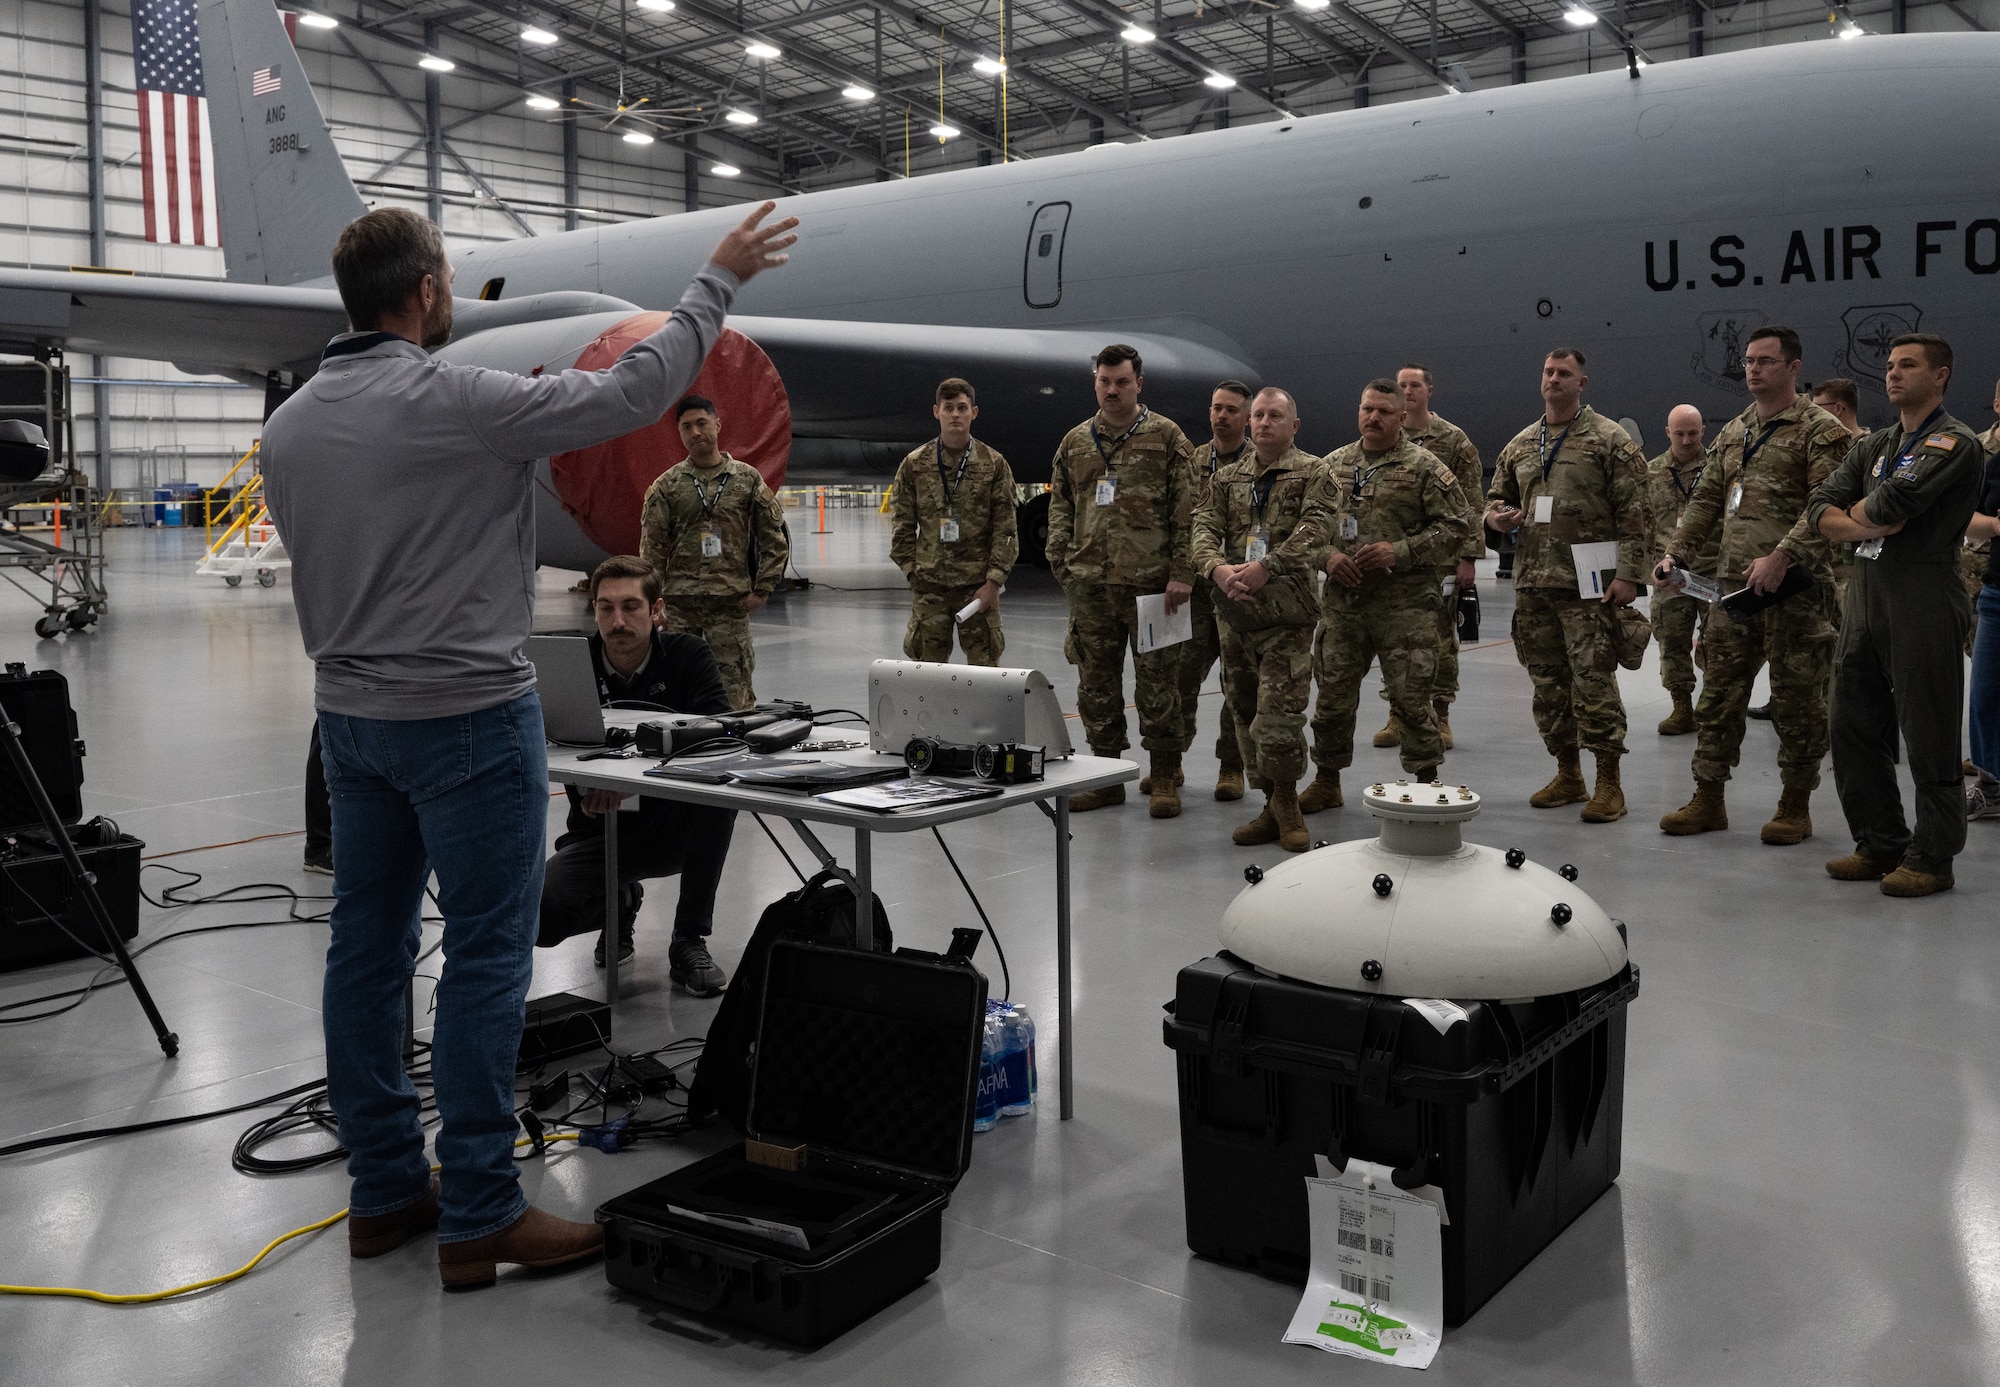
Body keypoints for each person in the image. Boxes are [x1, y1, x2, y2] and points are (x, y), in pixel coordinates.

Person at [261, 202, 795, 1288]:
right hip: (464, 716)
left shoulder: (289, 428)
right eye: (449, 280)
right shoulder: (455, 396)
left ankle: (381, 1192)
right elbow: (634, 391)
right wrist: (718, 280)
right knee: (486, 956)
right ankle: (481, 1208)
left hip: (351, 724)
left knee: (362, 952)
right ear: (423, 295)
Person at [1655, 326, 1849, 846]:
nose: (1753, 369)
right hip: (1733, 593)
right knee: (1718, 696)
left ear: (1793, 367)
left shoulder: (1819, 429)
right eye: (1748, 361)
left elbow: (1825, 506)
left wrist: (1781, 556)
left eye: (1765, 360)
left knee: (1798, 703)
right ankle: (1708, 798)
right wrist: (1676, 554)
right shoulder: (1735, 430)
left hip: (1797, 593)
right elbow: (1705, 500)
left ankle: (1794, 805)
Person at [1808, 332, 1986, 897]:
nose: (1892, 374)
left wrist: (1860, 514)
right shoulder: (1876, 445)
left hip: (1923, 594)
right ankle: (1880, 841)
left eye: (1907, 365)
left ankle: (1934, 856)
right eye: (1889, 365)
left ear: (1941, 376)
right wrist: (1864, 522)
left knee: (1929, 730)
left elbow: (1894, 504)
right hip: (1865, 593)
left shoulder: (1954, 443)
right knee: (1850, 722)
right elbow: (1818, 506)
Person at [536, 556, 735, 991]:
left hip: (674, 826)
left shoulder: (688, 655)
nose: (617, 620)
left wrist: (622, 781)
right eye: (605, 607)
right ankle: (620, 901)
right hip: (598, 827)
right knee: (540, 917)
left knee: (720, 802)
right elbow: (544, 738)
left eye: (631, 606)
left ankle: (688, 940)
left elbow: (719, 737)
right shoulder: (570, 661)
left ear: (657, 610)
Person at [1484, 349, 1649, 823]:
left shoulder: (1609, 440)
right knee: (1548, 687)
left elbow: (1637, 511)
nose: (1553, 379)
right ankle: (1569, 774)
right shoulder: (1521, 443)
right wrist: (1495, 515)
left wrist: (1628, 576)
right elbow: (1497, 498)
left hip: (1588, 586)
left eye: (1564, 374)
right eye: (1548, 372)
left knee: (1594, 683)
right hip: (1534, 583)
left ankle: (1609, 784)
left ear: (1582, 383)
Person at [1299, 379, 1470, 811]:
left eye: (1383, 412)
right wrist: (1327, 557)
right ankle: (1327, 780)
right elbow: (1302, 530)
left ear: (1400, 418)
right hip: (1344, 606)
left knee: (1412, 701)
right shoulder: (1332, 466)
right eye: (1366, 409)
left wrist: (1401, 550)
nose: (1372, 417)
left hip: (1405, 608)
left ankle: (1428, 784)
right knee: (1333, 698)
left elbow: (1456, 527)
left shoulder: (1425, 466)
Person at [1046, 343, 1196, 816]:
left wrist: (1182, 573)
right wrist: (1064, 568)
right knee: (1096, 687)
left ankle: (1166, 776)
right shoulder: (1075, 442)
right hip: (1092, 588)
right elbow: (1061, 510)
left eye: (1122, 382)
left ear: (1139, 384)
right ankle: (1106, 778)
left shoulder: (1167, 437)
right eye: (1104, 381)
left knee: (1159, 686)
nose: (1112, 390)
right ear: (1095, 382)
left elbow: (1190, 512)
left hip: (1154, 589)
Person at [1191, 387, 1327, 853]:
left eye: (1275, 416)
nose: (1265, 422)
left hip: (1287, 619)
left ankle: (1287, 806)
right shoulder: (1226, 479)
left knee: (1279, 719)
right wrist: (1217, 568)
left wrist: (1268, 565)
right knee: (1245, 714)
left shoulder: (1315, 472)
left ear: (1294, 426)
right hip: (1236, 616)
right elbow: (1203, 527)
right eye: (1259, 416)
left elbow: (1317, 529)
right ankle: (1270, 803)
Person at [637, 395, 789, 710]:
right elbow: (651, 551)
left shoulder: (747, 480)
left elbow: (773, 538)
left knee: (734, 696)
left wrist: (762, 589)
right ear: (679, 433)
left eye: (702, 423)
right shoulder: (667, 486)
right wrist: (653, 603)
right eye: (686, 427)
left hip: (730, 606)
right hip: (680, 607)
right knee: (674, 691)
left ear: (717, 424)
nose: (695, 432)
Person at [1370, 363, 1483, 753]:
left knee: (1439, 638)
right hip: (1393, 562)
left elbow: (1470, 503)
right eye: (1402, 385)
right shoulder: (1386, 437)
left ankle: (1441, 713)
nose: (1408, 390)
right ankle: (1398, 715)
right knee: (1394, 638)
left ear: (1429, 390)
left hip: (1438, 560)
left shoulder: (1452, 440)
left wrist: (1468, 557)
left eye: (1414, 384)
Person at [889, 378, 1017, 666]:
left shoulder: (994, 464)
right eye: (949, 408)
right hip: (930, 586)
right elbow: (902, 525)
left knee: (985, 670)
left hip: (978, 588)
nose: (955, 414)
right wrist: (913, 574)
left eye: (962, 407)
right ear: (937, 412)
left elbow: (1006, 528)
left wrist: (994, 582)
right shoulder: (915, 464)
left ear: (974, 412)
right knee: (928, 671)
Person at [1172, 380, 1254, 802]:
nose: (1221, 416)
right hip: (1197, 590)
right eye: (1216, 408)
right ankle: (1173, 764)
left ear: (1247, 417)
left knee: (1238, 683)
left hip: (1244, 590)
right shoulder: (1190, 461)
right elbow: (1178, 522)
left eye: (1231, 410)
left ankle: (1231, 766)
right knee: (1182, 676)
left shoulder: (1264, 464)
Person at [1645, 405, 1718, 736]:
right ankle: (1682, 708)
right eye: (1679, 433)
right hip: (1671, 576)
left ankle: (1714, 707)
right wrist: (1651, 568)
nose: (1687, 440)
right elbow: (1642, 527)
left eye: (1693, 433)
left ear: (1703, 430)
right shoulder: (1651, 474)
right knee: (1671, 640)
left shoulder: (1720, 468)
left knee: (1719, 642)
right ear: (1667, 433)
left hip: (1713, 571)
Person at [1967, 437, 2000, 821]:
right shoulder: (1997, 463)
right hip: (1996, 594)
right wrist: (1994, 523)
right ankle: (1990, 788)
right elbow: (1970, 520)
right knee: (1985, 696)